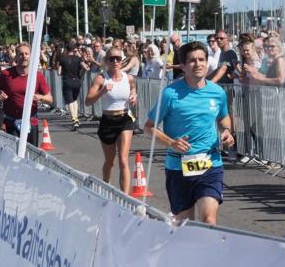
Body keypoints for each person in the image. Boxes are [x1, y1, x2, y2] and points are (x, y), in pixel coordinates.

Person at [144, 41, 234, 226]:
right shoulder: (170, 94)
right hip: (179, 166)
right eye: (192, 61)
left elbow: (224, 120)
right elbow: (149, 127)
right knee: (184, 224)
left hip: (210, 164)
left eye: (202, 59)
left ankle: (208, 254)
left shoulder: (217, 92)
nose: (198, 64)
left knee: (209, 219)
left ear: (207, 62)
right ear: (183, 66)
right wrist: (171, 143)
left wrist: (227, 133)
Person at [85, 48, 138, 193]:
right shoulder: (101, 79)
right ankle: (106, 185)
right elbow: (87, 101)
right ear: (106, 61)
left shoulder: (129, 78)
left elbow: (133, 90)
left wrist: (134, 96)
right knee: (110, 161)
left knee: (123, 160)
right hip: (108, 121)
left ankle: (125, 198)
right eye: (111, 59)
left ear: (122, 61)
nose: (115, 61)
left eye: (118, 58)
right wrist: (102, 92)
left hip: (124, 121)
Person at [0, 43, 54, 146]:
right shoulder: (6, 74)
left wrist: (39, 97)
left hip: (31, 122)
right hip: (11, 121)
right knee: (13, 155)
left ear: (31, 56)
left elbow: (50, 99)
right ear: (16, 56)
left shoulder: (37, 76)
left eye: (27, 53)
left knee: (30, 156)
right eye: (21, 54)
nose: (24, 56)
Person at [56, 43, 87, 131]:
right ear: (74, 50)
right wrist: (80, 74)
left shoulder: (62, 59)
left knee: (70, 101)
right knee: (74, 100)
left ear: (66, 49)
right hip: (77, 80)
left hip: (67, 81)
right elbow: (85, 67)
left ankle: (74, 119)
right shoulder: (78, 59)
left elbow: (58, 72)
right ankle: (76, 117)